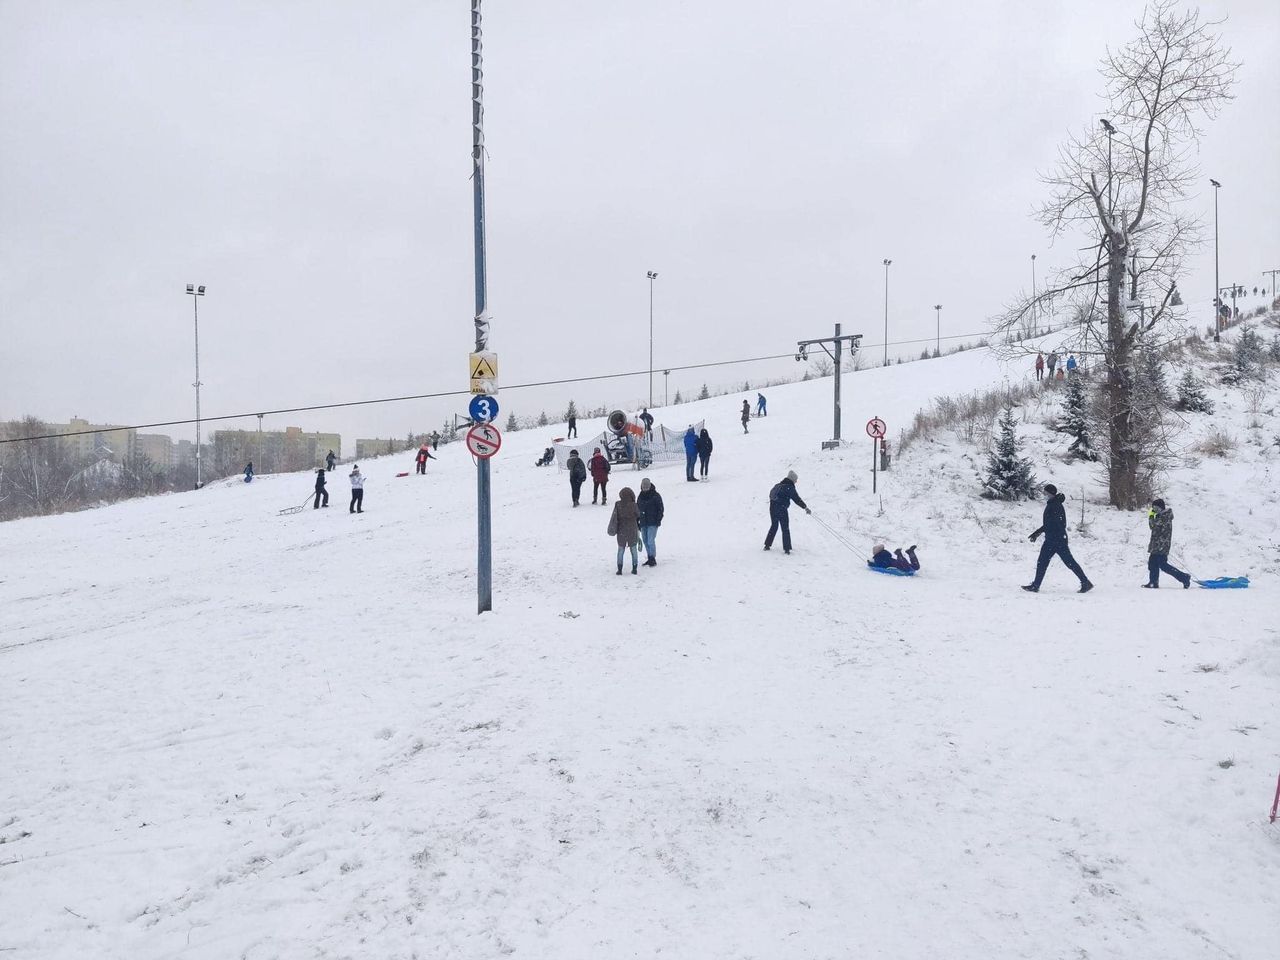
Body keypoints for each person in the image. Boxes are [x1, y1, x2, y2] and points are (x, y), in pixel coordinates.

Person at [1023, 483, 1092, 593]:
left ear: (1050, 493)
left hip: (1057, 540)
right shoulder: (1052, 504)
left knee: (1068, 562)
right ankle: (1035, 585)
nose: (1044, 494)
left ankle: (1085, 582)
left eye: (1045, 493)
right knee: (1043, 561)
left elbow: (1057, 524)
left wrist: (1040, 533)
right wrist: (1037, 533)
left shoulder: (1055, 505)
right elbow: (1049, 523)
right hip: (1053, 539)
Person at [1144, 498, 1190, 588]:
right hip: (1156, 545)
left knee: (1163, 566)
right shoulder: (1160, 516)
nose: (1154, 510)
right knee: (1152, 564)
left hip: (1161, 545)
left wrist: (1150, 516)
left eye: (1155, 508)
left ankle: (1184, 577)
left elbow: (1153, 526)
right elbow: (1154, 528)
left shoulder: (1165, 516)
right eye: (1153, 508)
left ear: (1160, 508)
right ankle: (1153, 582)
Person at [764, 470, 810, 554]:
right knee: (785, 528)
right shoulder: (789, 487)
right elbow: (797, 499)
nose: (796, 481)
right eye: (795, 479)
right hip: (781, 509)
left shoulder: (778, 485)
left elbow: (771, 495)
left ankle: (767, 545)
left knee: (774, 526)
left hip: (772, 508)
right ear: (792, 479)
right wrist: (805, 507)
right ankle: (787, 548)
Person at [607, 486, 641, 575]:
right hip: (632, 530)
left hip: (621, 530)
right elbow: (638, 515)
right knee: (633, 549)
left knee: (621, 550)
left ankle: (620, 569)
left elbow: (615, 516)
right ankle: (634, 568)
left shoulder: (618, 504)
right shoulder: (634, 505)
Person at [637, 477, 664, 566]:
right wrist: (638, 520)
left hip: (653, 522)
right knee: (645, 540)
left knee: (650, 540)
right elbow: (637, 509)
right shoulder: (640, 496)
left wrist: (658, 520)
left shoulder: (656, 495)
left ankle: (652, 557)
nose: (645, 489)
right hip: (643, 522)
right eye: (643, 487)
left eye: (646, 487)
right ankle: (649, 556)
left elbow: (660, 509)